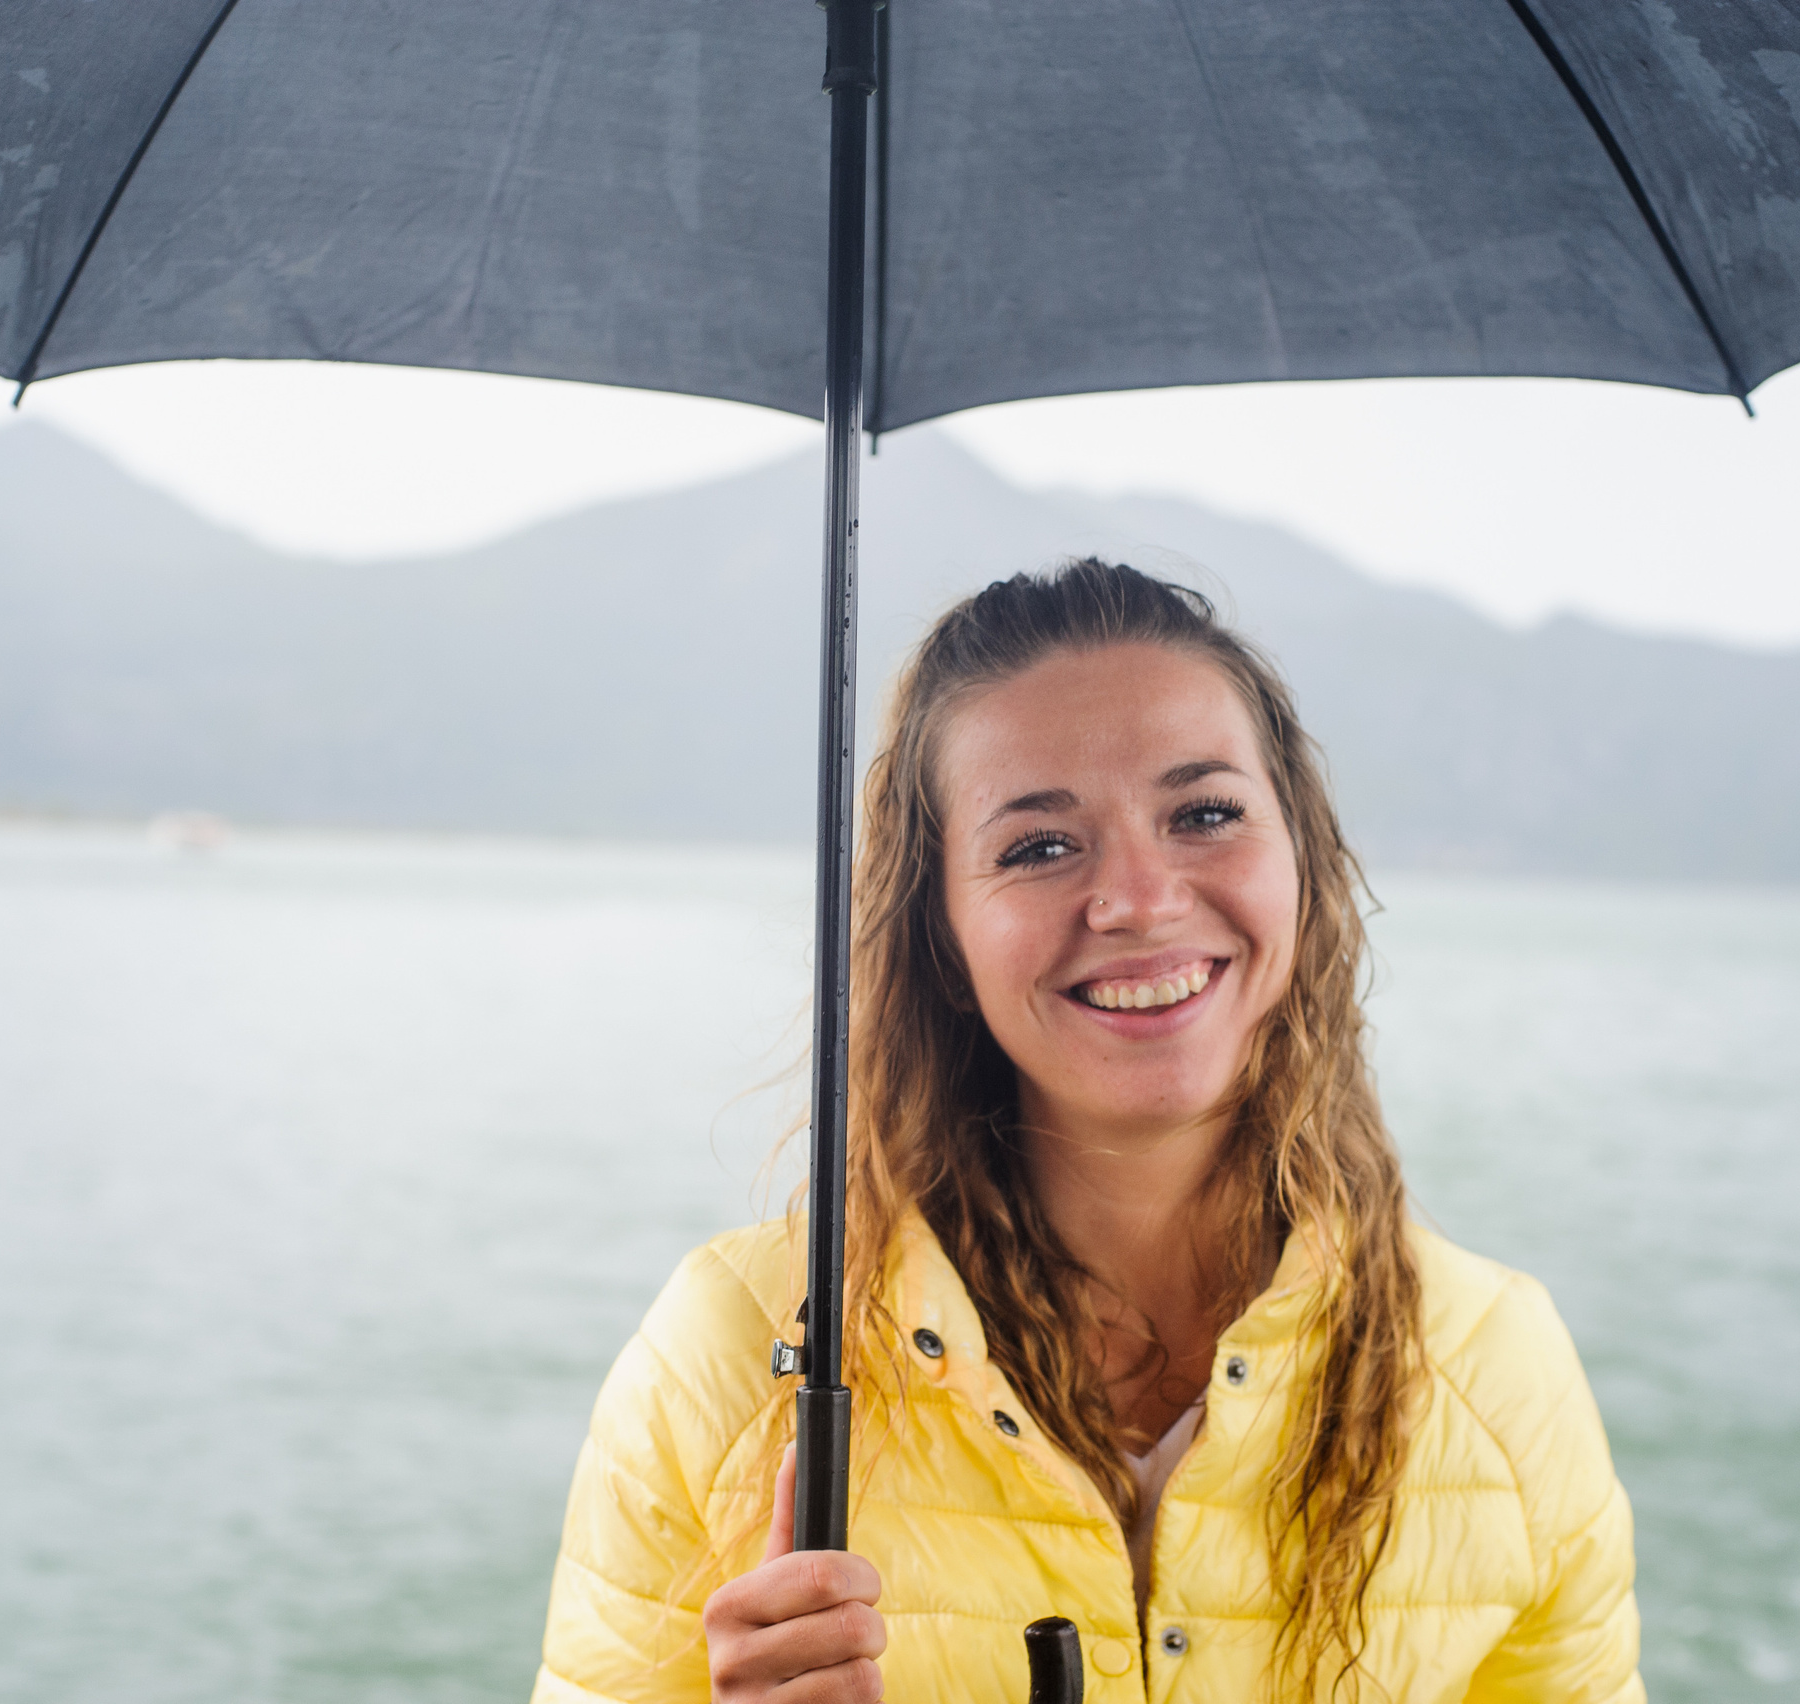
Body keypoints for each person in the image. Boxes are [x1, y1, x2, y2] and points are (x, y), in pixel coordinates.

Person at [531, 559, 1641, 1704]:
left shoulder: (1494, 1367)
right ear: (941, 934)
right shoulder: (728, 1357)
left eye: (1204, 813)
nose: (1140, 900)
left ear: (1300, 860)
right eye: (1038, 847)